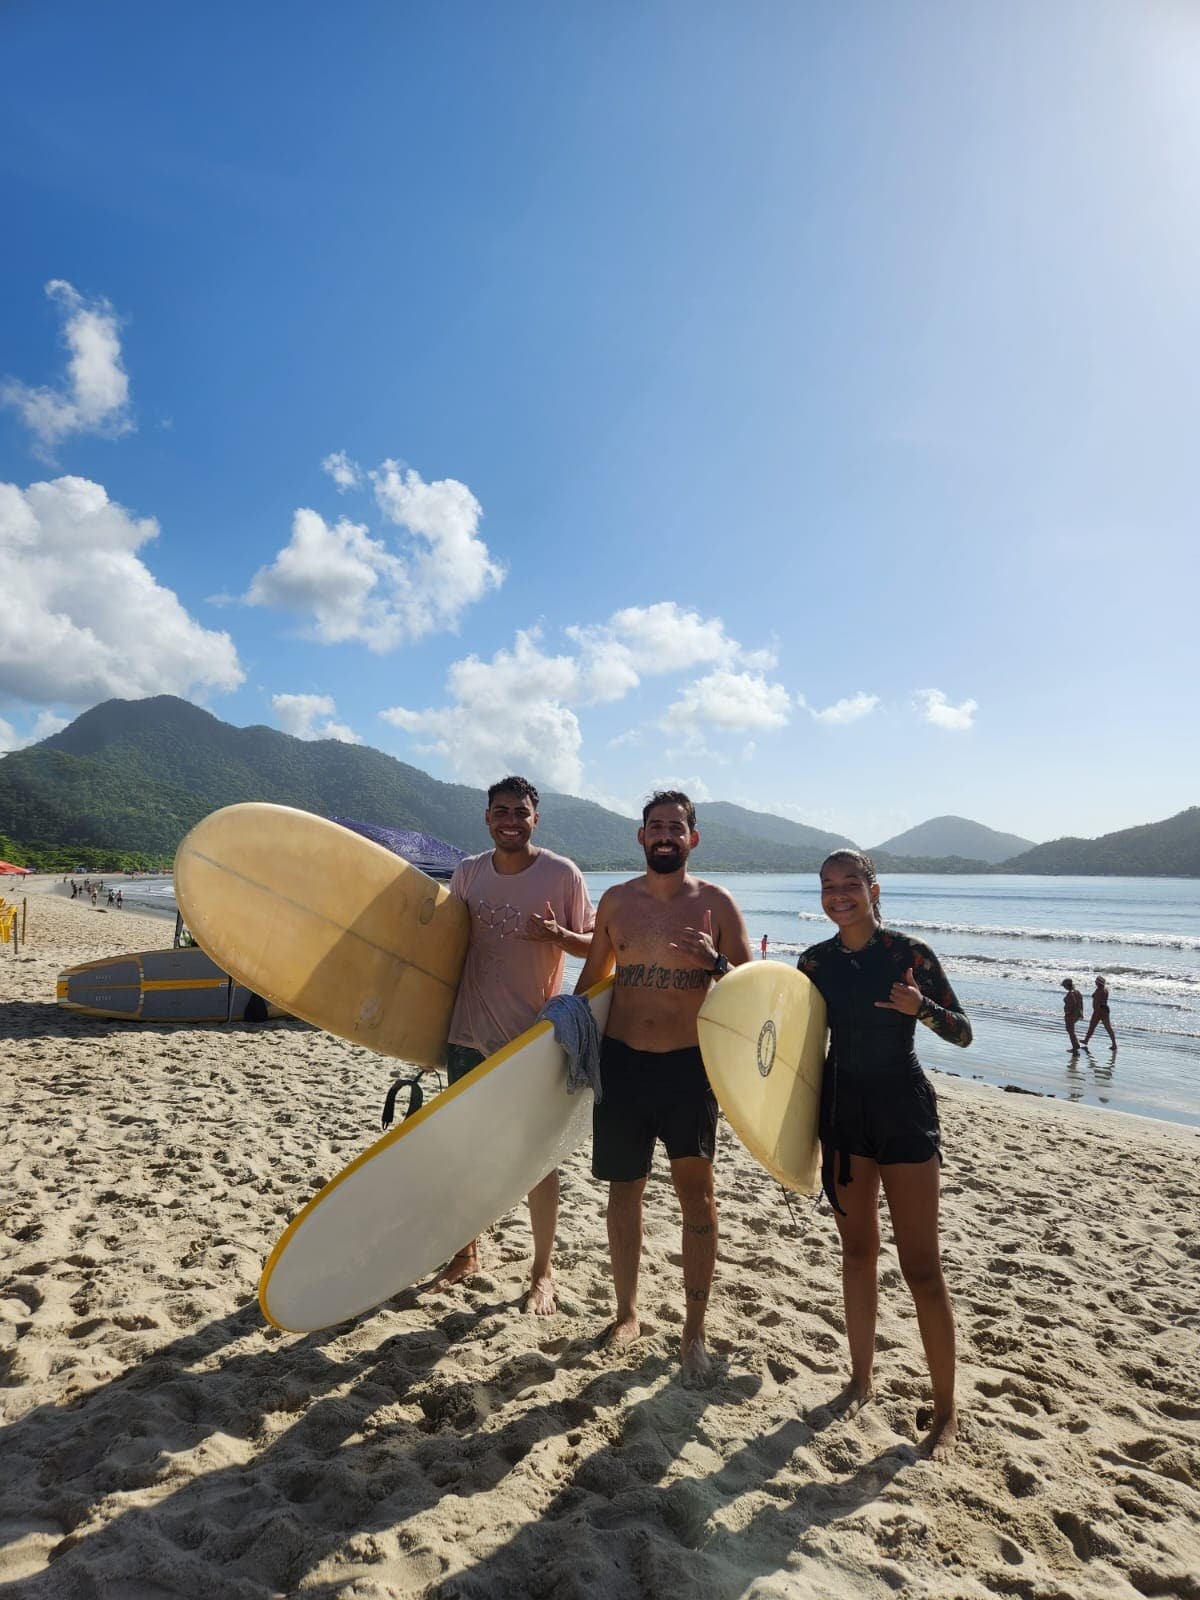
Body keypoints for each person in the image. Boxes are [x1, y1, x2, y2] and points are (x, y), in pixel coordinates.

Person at [572, 790, 753, 1382]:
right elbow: (592, 979)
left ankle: (693, 1331)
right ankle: (626, 1313)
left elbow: (755, 994)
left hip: (689, 1070)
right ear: (641, 837)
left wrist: (716, 965)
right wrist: (556, 1042)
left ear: (693, 838)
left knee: (696, 1198)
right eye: (656, 826)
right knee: (623, 1194)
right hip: (623, 1066)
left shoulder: (718, 904)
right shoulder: (617, 901)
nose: (666, 835)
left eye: (677, 826)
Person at [797, 849, 972, 1459]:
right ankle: (860, 1378)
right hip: (843, 1116)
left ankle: (946, 1413)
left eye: (850, 884)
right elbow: (786, 1039)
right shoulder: (812, 963)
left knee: (922, 1266)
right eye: (828, 886)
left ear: (874, 889)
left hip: (903, 1114)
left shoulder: (910, 955)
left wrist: (918, 1007)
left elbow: (963, 1030)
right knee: (857, 1253)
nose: (838, 894)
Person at [432, 776, 595, 1315]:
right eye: (501, 811)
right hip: (466, 1035)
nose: (510, 819)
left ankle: (542, 1272)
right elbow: (440, 950)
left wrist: (559, 938)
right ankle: (465, 1251)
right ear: (487, 818)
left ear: (535, 818)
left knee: (536, 1161)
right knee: (465, 1150)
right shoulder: (468, 873)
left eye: (520, 812)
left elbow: (600, 946)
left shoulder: (562, 873)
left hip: (532, 1044)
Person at [1082, 975, 1116, 1050]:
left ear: (1099, 983)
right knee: (1106, 1027)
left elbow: (1100, 1001)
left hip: (1099, 1011)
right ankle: (1086, 1040)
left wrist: (1098, 1011)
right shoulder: (1101, 989)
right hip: (1102, 1010)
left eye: (1096, 981)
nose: (1095, 982)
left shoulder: (1101, 991)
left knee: (1094, 1026)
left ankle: (1086, 1040)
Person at [1061, 979, 1084, 1051]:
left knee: (1070, 1030)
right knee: (1071, 1030)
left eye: (1064, 986)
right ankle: (1076, 1044)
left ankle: (1075, 1046)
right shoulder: (1077, 992)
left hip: (1071, 1014)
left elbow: (1072, 1004)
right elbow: (1081, 1003)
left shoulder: (1070, 994)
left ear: (1068, 986)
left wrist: (1068, 1012)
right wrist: (1081, 1013)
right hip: (1077, 1013)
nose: (1064, 987)